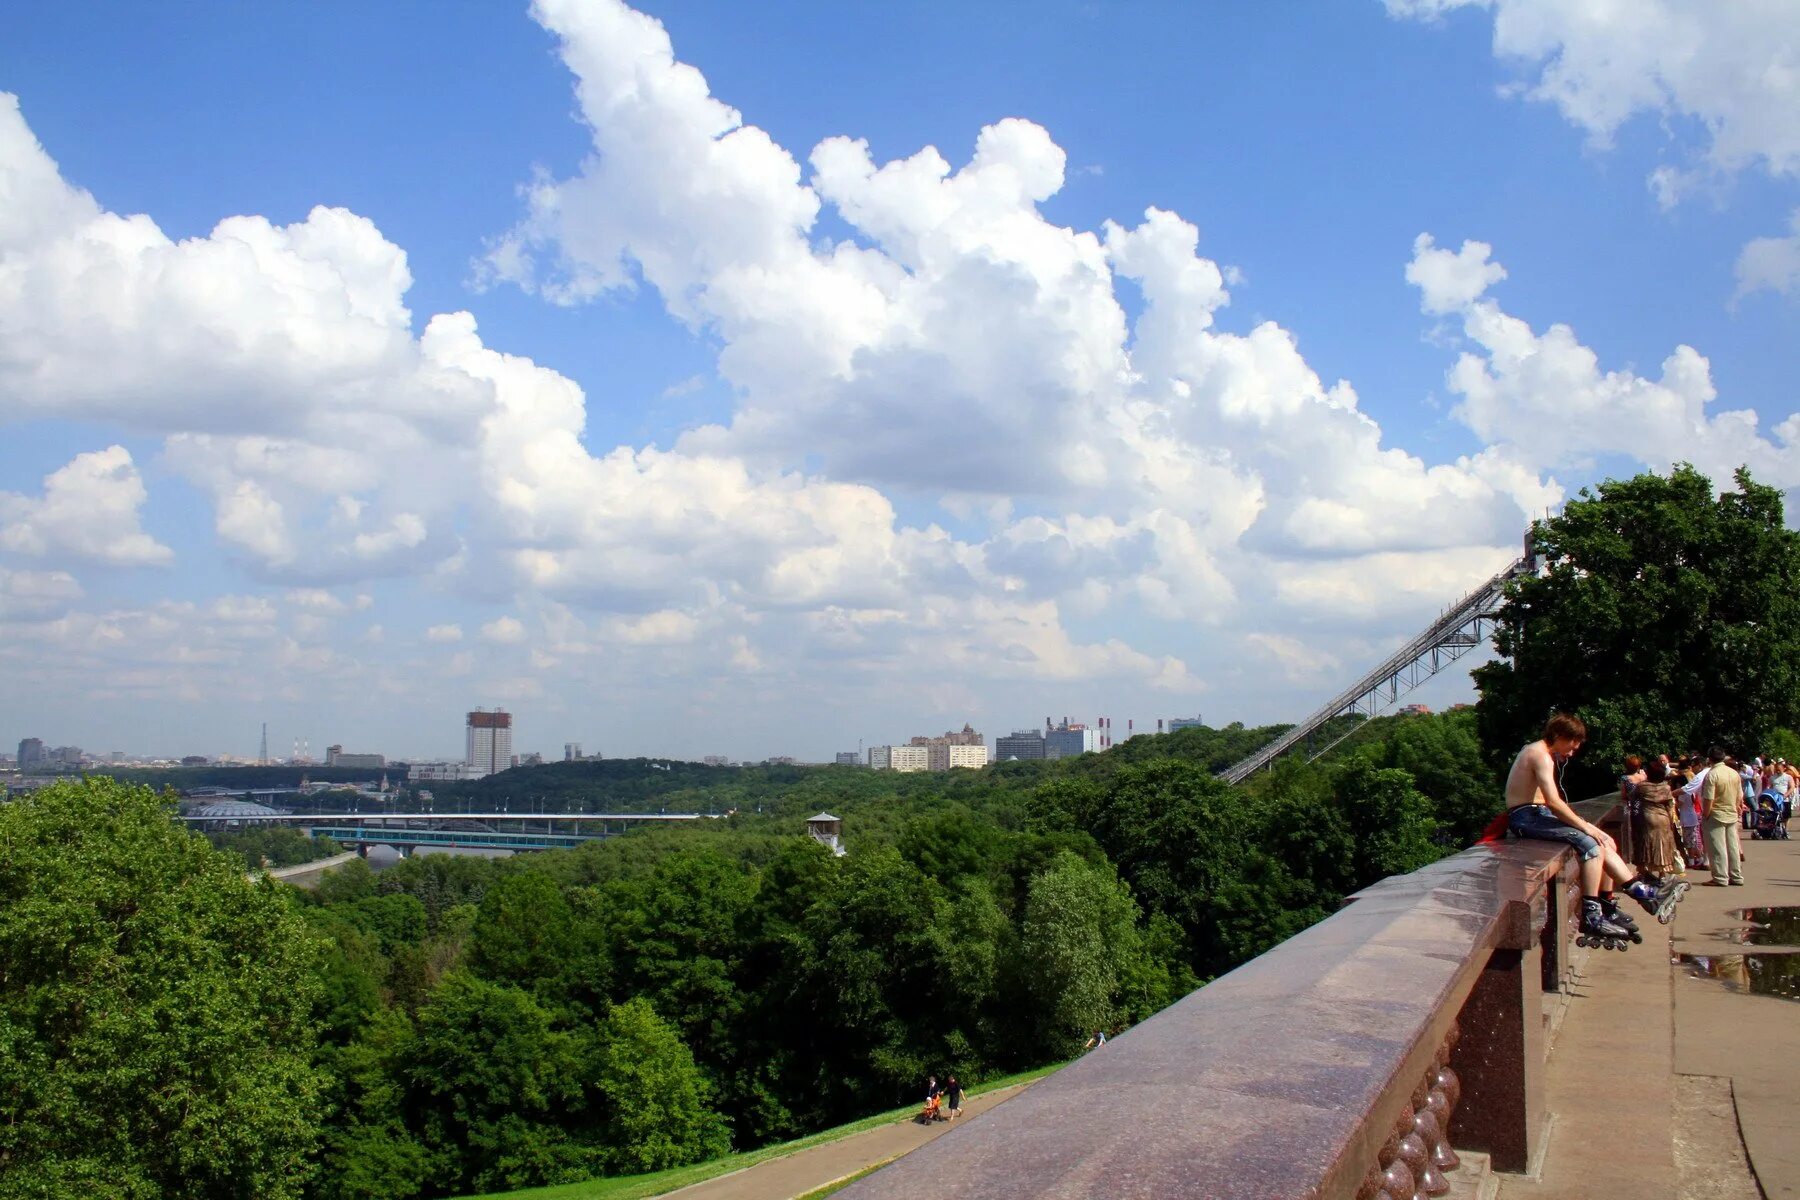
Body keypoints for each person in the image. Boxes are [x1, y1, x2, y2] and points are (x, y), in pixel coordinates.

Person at [1505, 714, 1676, 942]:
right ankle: (1593, 916)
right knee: (1590, 846)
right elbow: (1554, 802)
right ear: (1558, 736)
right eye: (1571, 745)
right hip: (1526, 817)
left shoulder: (1541, 752)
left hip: (1536, 813)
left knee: (1606, 842)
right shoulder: (1540, 755)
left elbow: (1551, 804)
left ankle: (1619, 901)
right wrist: (1587, 827)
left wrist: (1590, 828)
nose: (1572, 752)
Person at [1700, 748, 1747, 886]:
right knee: (1732, 846)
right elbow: (1740, 795)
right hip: (1731, 812)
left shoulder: (1712, 774)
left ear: (1710, 759)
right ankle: (1736, 875)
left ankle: (1720, 877)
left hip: (1716, 814)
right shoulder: (1733, 773)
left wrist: (1706, 814)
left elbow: (1709, 798)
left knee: (1717, 847)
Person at [1630, 759, 1682, 880]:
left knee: (1646, 843)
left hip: (1647, 817)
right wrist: (1672, 822)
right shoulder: (1666, 788)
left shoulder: (1642, 786)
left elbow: (1632, 797)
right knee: (1663, 844)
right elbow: (1670, 806)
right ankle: (1662, 873)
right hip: (1663, 817)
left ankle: (1645, 869)